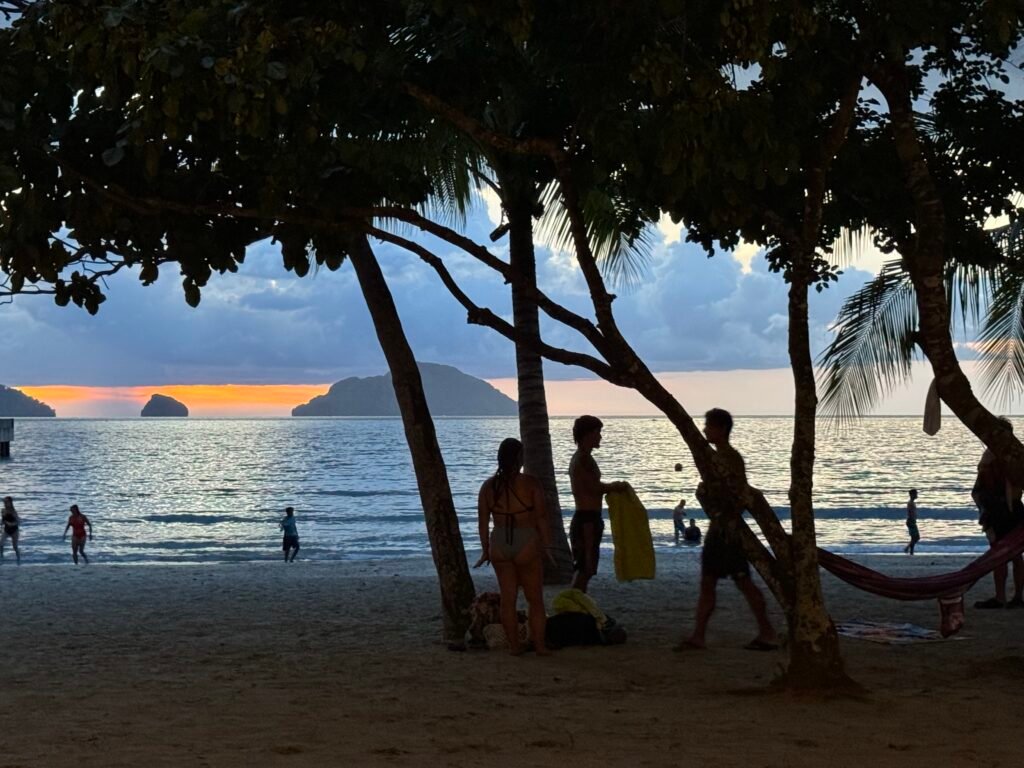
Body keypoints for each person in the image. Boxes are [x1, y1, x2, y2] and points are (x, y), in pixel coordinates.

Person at [677, 408, 778, 651]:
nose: (704, 430)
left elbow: (737, 494)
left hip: (726, 530)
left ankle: (767, 632)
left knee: (741, 581)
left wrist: (724, 514)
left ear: (721, 429)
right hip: (721, 527)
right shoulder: (719, 457)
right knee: (711, 581)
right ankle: (699, 635)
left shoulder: (729, 458)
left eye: (709, 426)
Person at [474, 437, 553, 655]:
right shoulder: (530, 483)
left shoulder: (488, 486)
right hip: (526, 540)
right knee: (534, 599)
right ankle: (539, 646)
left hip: (499, 542)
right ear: (519, 458)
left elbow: (482, 522)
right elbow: (542, 518)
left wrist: (485, 550)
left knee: (507, 599)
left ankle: (515, 648)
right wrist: (547, 546)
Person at [568, 416, 628, 592]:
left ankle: (577, 605)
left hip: (588, 518)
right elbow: (593, 488)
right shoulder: (582, 459)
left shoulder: (582, 457)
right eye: (598, 432)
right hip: (587, 520)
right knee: (585, 568)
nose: (600, 437)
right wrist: (615, 487)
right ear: (588, 434)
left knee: (586, 568)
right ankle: (574, 605)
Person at [972, 419, 1024, 608]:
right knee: (1013, 555)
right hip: (1010, 509)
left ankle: (1006, 597)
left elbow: (982, 489)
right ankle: (1014, 596)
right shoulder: (1014, 455)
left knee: (1002, 554)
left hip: (1002, 510)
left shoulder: (993, 456)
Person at [1, 496, 20, 564]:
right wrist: (1, 525)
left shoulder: (13, 512)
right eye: (4, 502)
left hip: (14, 531)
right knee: (1, 544)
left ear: (10, 503)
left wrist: (11, 524)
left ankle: (18, 559)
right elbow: (3, 520)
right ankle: (1, 557)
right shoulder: (3, 510)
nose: (5, 503)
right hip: (6, 530)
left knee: (15, 547)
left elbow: (18, 521)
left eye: (7, 502)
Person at [904, 489, 921, 555]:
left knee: (913, 537)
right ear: (912, 495)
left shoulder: (912, 502)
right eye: (915, 494)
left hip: (912, 521)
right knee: (916, 537)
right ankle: (907, 548)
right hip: (911, 521)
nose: (917, 495)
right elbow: (910, 512)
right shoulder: (910, 503)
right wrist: (912, 520)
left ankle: (911, 552)